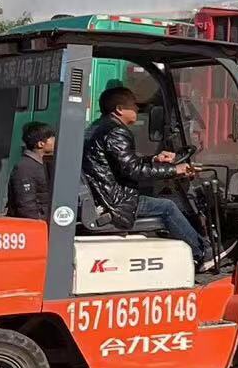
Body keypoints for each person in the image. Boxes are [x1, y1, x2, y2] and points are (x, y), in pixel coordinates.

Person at [82, 87, 215, 270]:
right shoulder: (116, 132)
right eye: (133, 105)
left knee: (169, 200)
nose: (137, 109)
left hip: (105, 194)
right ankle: (203, 253)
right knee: (168, 206)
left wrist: (154, 159)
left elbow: (124, 163)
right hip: (115, 201)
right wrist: (174, 170)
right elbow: (134, 171)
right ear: (120, 109)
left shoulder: (98, 127)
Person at [6, 122, 56, 221]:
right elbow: (26, 208)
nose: (55, 141)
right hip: (36, 225)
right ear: (40, 144)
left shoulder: (44, 164)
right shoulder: (25, 168)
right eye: (52, 138)